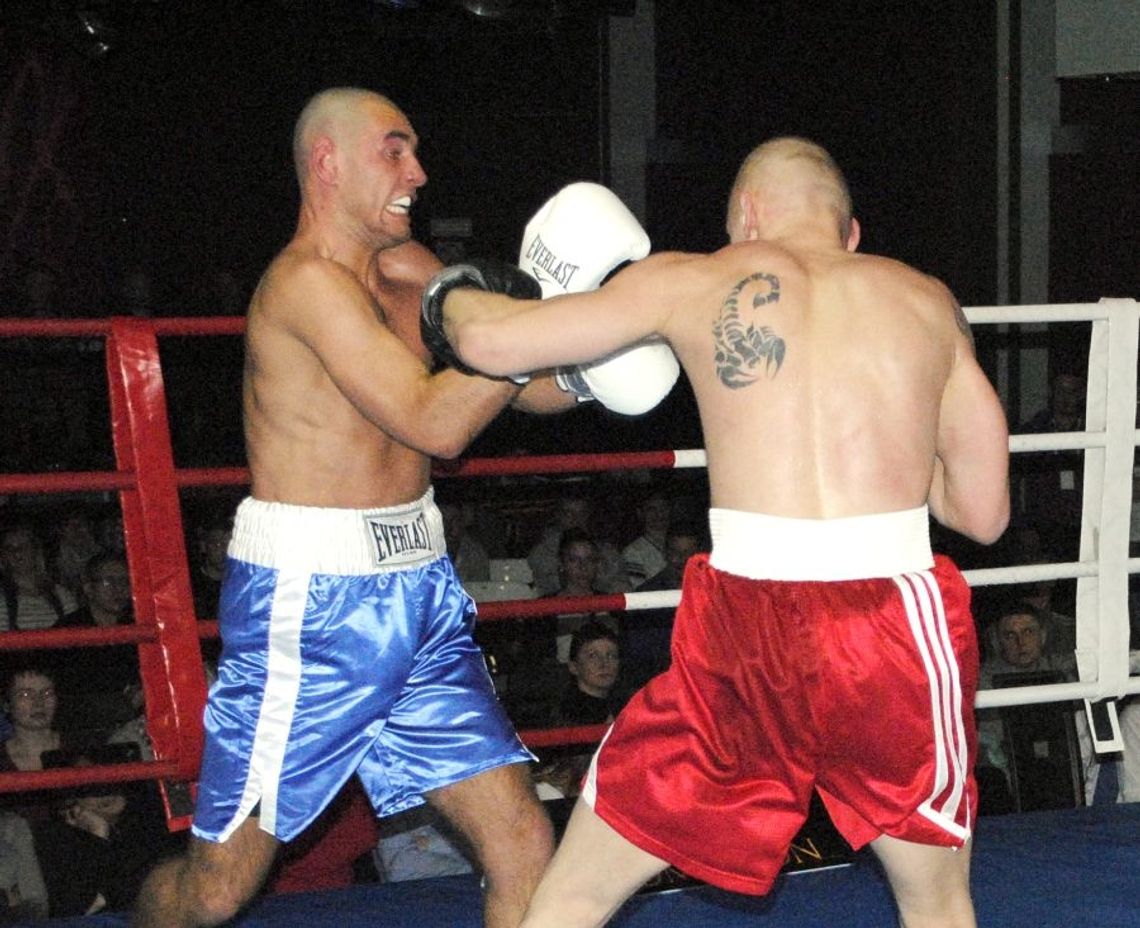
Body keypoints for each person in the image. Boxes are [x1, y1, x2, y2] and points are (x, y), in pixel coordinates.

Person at [429, 138, 1010, 927]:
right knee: (937, 904)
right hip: (895, 631)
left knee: (576, 894)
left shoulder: (692, 278)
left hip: (746, 634)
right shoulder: (925, 300)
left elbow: (488, 344)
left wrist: (452, 291)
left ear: (745, 218)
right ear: (851, 233)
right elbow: (983, 513)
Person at [131, 87, 577, 928]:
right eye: (394, 150)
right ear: (327, 163)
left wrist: (602, 340)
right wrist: (528, 322)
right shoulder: (303, 286)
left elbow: (532, 388)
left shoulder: (411, 272)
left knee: (522, 845)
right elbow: (437, 421)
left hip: (420, 592)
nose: (419, 172)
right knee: (216, 889)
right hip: (313, 608)